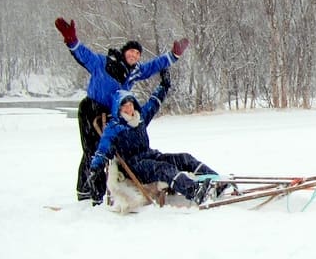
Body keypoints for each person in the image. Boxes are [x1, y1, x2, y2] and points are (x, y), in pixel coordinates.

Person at [54, 17, 190, 202]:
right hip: (91, 109)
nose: (134, 56)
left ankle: (107, 188)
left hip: (111, 113)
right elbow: (84, 55)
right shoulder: (103, 63)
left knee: (112, 153)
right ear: (124, 52)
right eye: (131, 52)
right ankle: (86, 191)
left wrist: (173, 55)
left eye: (137, 54)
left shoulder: (134, 71)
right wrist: (72, 40)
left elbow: (153, 66)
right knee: (92, 151)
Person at [85, 71, 218, 206]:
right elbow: (102, 150)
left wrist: (164, 85)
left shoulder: (139, 118)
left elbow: (153, 103)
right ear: (118, 108)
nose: (128, 108)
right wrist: (95, 168)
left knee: (184, 158)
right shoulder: (114, 128)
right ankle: (194, 190)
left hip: (151, 155)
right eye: (124, 105)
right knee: (163, 168)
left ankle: (215, 180)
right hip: (134, 167)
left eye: (130, 104)